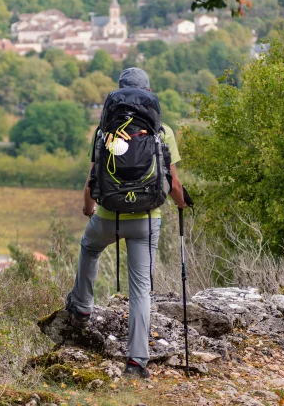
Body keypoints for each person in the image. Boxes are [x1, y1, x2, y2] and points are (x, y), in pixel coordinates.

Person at [65, 67, 187, 378]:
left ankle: (81, 306)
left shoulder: (104, 132)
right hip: (146, 220)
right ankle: (136, 363)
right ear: (148, 93)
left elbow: (93, 181)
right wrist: (183, 203)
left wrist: (87, 209)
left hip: (108, 217)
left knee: (90, 247)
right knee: (141, 290)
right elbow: (172, 183)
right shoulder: (163, 131)